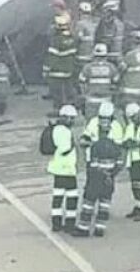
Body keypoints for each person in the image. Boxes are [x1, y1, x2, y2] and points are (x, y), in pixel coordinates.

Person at [73, 124, 123, 238]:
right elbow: (120, 164)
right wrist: (111, 175)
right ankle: (100, 228)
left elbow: (94, 165)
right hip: (109, 182)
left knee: (88, 204)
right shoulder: (115, 146)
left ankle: (83, 228)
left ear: (100, 131)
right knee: (104, 205)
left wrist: (103, 175)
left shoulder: (96, 146)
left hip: (95, 181)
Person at [46, 105, 79, 233]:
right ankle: (70, 223)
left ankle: (56, 223)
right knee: (72, 197)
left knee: (58, 196)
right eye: (71, 118)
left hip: (58, 168)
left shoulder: (56, 129)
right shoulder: (64, 131)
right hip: (67, 169)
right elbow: (65, 149)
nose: (73, 121)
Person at [42, 13, 77, 115]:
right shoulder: (72, 38)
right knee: (68, 91)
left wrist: (46, 69)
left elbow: (52, 57)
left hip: (56, 72)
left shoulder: (56, 40)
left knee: (57, 92)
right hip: (68, 71)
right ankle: (69, 109)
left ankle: (58, 110)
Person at [77, 43, 119, 117]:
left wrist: (84, 94)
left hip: (91, 99)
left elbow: (81, 82)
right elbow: (116, 83)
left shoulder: (87, 67)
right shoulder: (111, 67)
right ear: (106, 56)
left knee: (91, 123)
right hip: (106, 99)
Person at [118, 30, 140, 109]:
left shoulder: (130, 55)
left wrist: (119, 59)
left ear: (131, 42)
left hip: (130, 90)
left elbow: (121, 69)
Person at [73, 0, 97, 70]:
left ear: (80, 12)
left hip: (81, 56)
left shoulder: (80, 24)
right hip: (91, 56)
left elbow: (76, 39)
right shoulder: (93, 24)